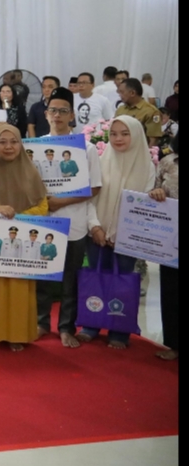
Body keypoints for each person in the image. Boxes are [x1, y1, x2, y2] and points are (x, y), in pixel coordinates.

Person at [0, 124, 48, 351]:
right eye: (2, 142)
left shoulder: (30, 171)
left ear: (21, 144)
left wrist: (20, 218)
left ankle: (15, 334)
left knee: (17, 289)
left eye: (13, 142)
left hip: (19, 242)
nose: (8, 147)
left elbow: (43, 206)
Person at [79, 116, 156, 349]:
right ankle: (91, 325)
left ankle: (119, 331)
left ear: (136, 135)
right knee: (96, 278)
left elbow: (144, 206)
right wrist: (95, 227)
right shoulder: (102, 162)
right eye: (113, 134)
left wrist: (123, 233)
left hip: (127, 238)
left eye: (124, 133)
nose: (118, 138)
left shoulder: (147, 167)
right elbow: (89, 199)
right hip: (97, 234)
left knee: (122, 282)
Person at [37, 88, 102, 348]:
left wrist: (59, 202)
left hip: (75, 223)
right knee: (43, 278)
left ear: (72, 115)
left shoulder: (86, 148)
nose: (57, 115)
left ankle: (66, 327)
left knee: (69, 280)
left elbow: (94, 187)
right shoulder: (36, 147)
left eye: (63, 111)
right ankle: (41, 323)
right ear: (46, 114)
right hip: (43, 221)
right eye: (53, 110)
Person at [150, 134, 178, 360]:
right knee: (171, 290)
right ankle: (174, 344)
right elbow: (153, 191)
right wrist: (156, 193)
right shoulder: (168, 162)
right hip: (170, 237)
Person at [116, 78, 163, 146]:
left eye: (122, 92)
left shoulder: (151, 112)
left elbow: (153, 140)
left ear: (132, 93)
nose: (119, 95)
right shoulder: (121, 109)